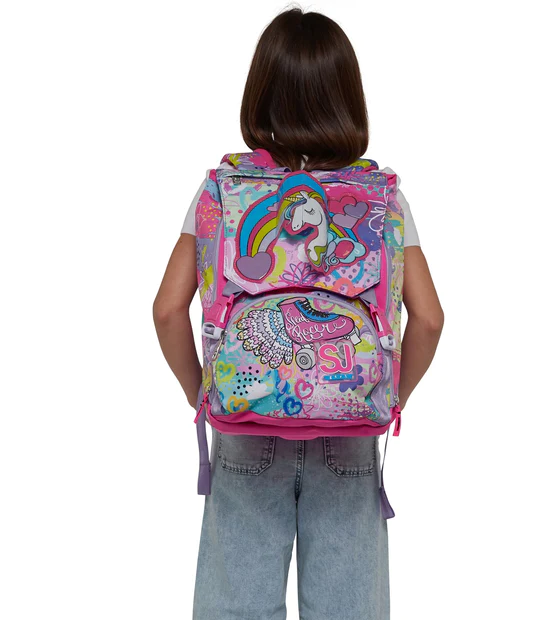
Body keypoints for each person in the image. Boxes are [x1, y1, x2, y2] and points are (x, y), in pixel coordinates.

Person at [153, 7, 444, 620]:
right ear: (348, 97)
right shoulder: (380, 198)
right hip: (349, 428)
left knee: (236, 608)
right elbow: (430, 319)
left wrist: (203, 392)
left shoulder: (224, 191)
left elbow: (166, 310)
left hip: (245, 421)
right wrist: (389, 397)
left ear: (260, 92)